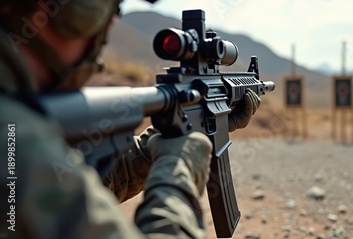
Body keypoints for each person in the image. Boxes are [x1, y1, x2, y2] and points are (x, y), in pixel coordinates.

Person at [0, 0, 261, 238]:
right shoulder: (17, 138)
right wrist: (177, 172)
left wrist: (167, 142)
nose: (112, 22)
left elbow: (77, 186)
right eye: (107, 7)